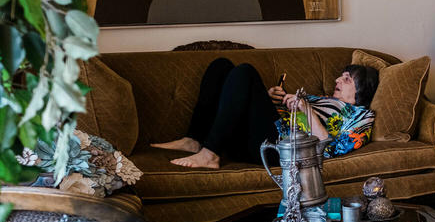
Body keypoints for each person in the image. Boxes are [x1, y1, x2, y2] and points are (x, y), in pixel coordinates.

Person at [152, 59, 379, 169]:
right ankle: (195, 140)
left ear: (362, 90)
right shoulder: (320, 99)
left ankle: (210, 155)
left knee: (245, 72)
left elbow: (328, 150)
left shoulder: (361, 116)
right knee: (221, 66)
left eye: (347, 79)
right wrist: (271, 98)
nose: (338, 80)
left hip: (280, 150)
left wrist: (307, 111)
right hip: (260, 136)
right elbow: (276, 115)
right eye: (341, 76)